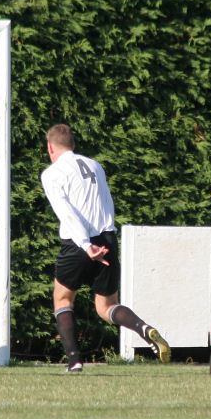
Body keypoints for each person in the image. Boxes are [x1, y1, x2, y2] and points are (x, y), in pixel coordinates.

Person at [40, 124, 170, 372]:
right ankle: (144, 328)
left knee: (62, 299)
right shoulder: (95, 165)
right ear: (74, 145)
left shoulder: (52, 173)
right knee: (107, 306)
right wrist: (104, 240)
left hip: (80, 244)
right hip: (107, 239)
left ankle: (75, 361)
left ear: (50, 147)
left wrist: (86, 245)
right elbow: (106, 203)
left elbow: (66, 213)